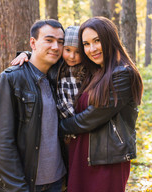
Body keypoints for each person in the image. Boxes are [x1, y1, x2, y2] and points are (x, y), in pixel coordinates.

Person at [58, 16, 143, 192]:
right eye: (86, 44)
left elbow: (90, 117)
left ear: (109, 39)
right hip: (81, 153)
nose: (92, 49)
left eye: (97, 41)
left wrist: (57, 128)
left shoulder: (122, 74)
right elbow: (59, 63)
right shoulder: (95, 71)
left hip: (106, 159)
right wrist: (28, 55)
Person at [0, 19, 67, 192]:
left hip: (57, 180)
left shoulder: (58, 77)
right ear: (33, 42)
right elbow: (0, 143)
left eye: (60, 42)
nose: (55, 47)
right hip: (27, 184)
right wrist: (18, 188)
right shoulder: (11, 79)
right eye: (49, 40)